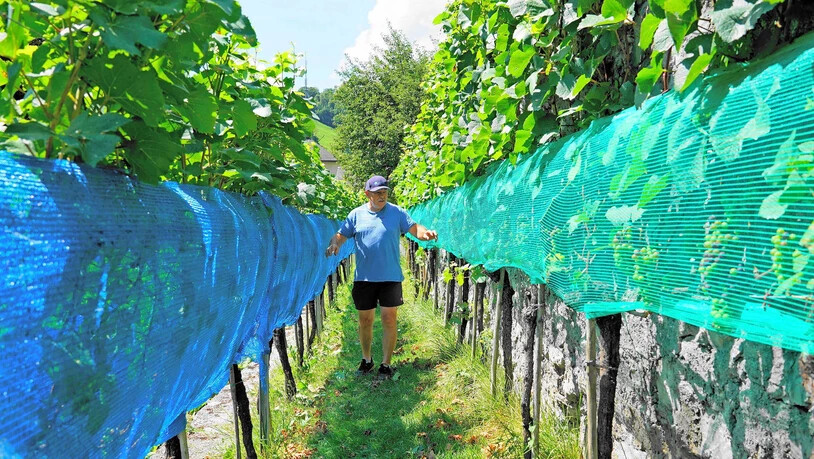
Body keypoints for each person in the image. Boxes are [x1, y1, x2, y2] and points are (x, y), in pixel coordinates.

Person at [325, 175, 437, 378]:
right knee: (365, 321)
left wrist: (424, 233)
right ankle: (366, 360)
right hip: (364, 279)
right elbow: (341, 235)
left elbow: (414, 228)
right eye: (377, 193)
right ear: (367, 194)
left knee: (389, 318)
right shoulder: (356, 215)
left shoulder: (397, 213)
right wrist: (335, 244)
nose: (382, 196)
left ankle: (386, 364)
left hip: (391, 277)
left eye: (384, 192)